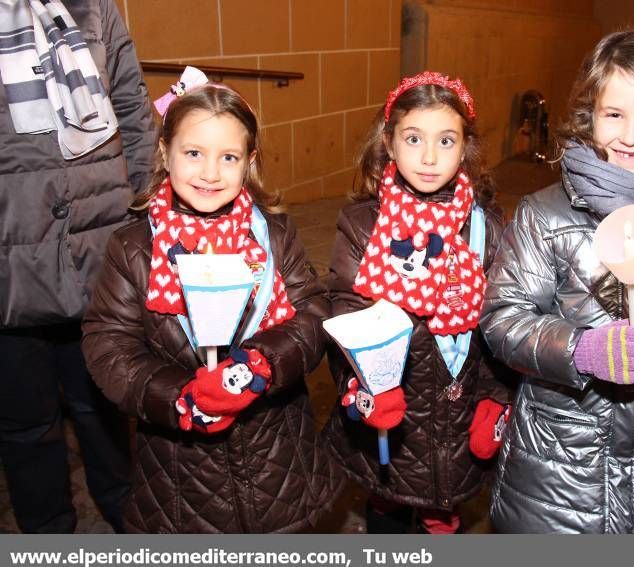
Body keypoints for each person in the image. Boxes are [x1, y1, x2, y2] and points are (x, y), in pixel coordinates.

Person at [480, 28, 634, 534]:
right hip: (552, 473)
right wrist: (582, 350)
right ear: (590, 115)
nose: (631, 136)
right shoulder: (545, 215)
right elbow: (503, 319)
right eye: (615, 114)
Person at [81, 69, 342, 533]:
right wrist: (177, 398)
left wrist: (264, 363)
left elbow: (313, 314)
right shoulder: (133, 248)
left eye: (228, 157)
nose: (209, 172)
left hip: (277, 458)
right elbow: (109, 347)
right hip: (181, 476)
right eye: (194, 153)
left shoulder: (274, 236)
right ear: (165, 152)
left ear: (250, 161)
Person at [322, 71, 513, 534]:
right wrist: (361, 388)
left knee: (442, 513)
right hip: (394, 406)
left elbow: (502, 322)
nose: (429, 157)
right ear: (389, 143)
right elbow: (343, 316)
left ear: (465, 146)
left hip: (457, 412)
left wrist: (496, 397)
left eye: (446, 140)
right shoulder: (362, 225)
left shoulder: (485, 227)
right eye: (414, 138)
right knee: (387, 505)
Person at [0, 0, 155, 533]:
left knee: (104, 405)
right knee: (26, 423)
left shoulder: (96, 10)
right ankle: (47, 536)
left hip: (97, 251)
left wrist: (138, 205)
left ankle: (124, 515)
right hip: (10, 264)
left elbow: (133, 109)